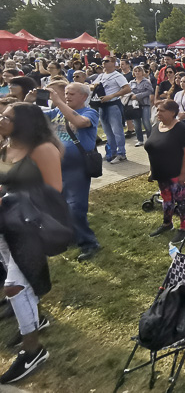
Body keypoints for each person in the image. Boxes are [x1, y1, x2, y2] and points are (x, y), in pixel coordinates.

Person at [0, 103, 64, 383]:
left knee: (14, 286)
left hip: (30, 226)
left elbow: (53, 192)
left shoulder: (43, 150)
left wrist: (10, 199)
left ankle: (33, 351)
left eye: (7, 117)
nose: (1, 119)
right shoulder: (7, 147)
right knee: (17, 277)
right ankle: (36, 319)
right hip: (6, 224)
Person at [45, 83, 101, 261]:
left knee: (76, 207)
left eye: (72, 94)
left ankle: (89, 243)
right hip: (57, 166)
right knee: (59, 205)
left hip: (77, 168)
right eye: (66, 93)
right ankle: (71, 236)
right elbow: (30, 117)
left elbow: (79, 122)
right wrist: (29, 101)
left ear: (84, 97)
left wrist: (59, 102)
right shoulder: (56, 113)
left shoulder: (89, 112)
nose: (67, 96)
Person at [144, 100, 185, 243]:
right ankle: (167, 223)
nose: (158, 113)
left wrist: (184, 173)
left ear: (172, 113)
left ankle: (184, 229)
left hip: (175, 173)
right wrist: (151, 170)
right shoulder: (155, 127)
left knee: (181, 201)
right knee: (166, 200)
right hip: (160, 173)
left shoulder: (181, 129)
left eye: (161, 111)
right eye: (157, 110)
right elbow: (153, 149)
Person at [129, 66, 154, 147]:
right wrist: (132, 96)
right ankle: (140, 140)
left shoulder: (146, 81)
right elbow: (128, 92)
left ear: (142, 72)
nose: (137, 72)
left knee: (146, 122)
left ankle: (150, 139)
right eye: (135, 71)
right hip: (135, 105)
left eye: (139, 71)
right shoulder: (131, 83)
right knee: (136, 123)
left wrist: (138, 96)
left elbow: (149, 91)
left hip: (145, 104)